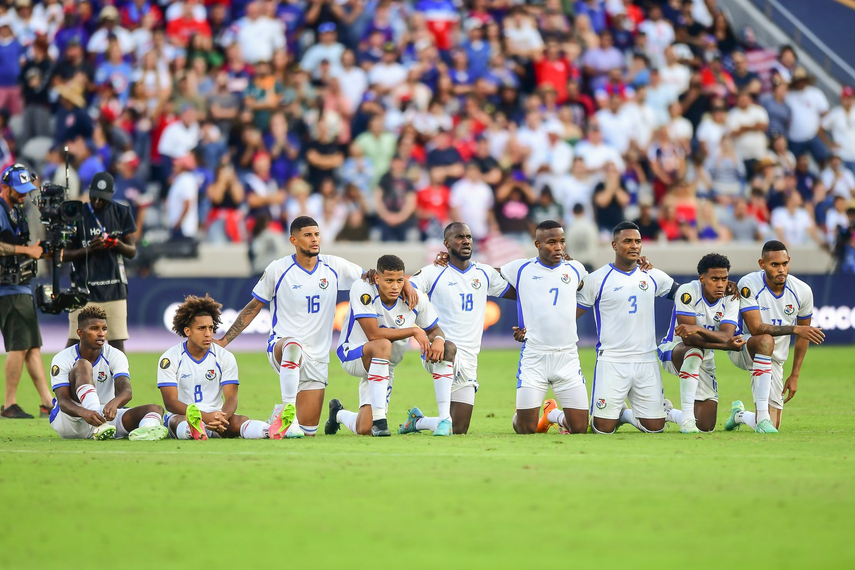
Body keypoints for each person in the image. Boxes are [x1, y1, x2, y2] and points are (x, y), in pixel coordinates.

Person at [214, 216, 416, 438]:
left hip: (317, 359)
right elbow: (253, 306)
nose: (314, 240)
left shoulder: (334, 265)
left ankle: (276, 419)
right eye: (308, 235)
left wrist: (404, 281)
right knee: (293, 345)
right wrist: (224, 341)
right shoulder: (278, 269)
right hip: (282, 347)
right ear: (294, 240)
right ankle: (288, 412)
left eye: (317, 234)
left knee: (307, 431)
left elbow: (373, 276)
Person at [400, 223, 515, 435]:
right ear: (446, 243)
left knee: (459, 429)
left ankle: (418, 422)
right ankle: (443, 418)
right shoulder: (434, 272)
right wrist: (407, 283)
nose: (466, 241)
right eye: (459, 237)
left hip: (469, 359)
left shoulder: (484, 273)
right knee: (449, 347)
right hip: (438, 350)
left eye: (469, 237)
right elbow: (407, 288)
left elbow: (517, 292)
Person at [326, 254, 455, 437]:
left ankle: (337, 414)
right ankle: (380, 422)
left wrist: (439, 341)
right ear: (377, 278)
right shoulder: (363, 288)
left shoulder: (414, 297)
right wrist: (414, 331)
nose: (395, 286)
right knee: (383, 344)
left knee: (364, 428)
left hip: (386, 366)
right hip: (354, 355)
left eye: (400, 280)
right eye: (389, 281)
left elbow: (434, 329)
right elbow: (373, 334)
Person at [578, 221, 676, 434]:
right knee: (602, 430)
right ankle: (617, 414)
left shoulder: (652, 275)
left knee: (655, 429)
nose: (634, 246)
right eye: (627, 241)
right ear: (614, 245)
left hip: (646, 359)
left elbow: (687, 296)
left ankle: (624, 413)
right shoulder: (597, 279)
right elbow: (571, 314)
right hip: (612, 360)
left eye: (638, 241)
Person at [500, 220, 589, 435]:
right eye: (551, 242)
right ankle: (523, 414)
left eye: (562, 242)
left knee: (579, 428)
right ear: (537, 244)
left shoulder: (576, 269)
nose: (558, 247)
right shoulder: (520, 268)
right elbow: (484, 276)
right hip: (535, 356)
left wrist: (567, 318)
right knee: (526, 429)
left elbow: (587, 295)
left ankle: (551, 414)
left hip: (567, 357)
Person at [725, 240, 825, 433]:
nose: (781, 269)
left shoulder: (802, 291)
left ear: (789, 261)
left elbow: (804, 336)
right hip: (744, 347)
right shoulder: (749, 283)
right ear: (762, 264)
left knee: (773, 425)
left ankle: (739, 415)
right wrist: (794, 329)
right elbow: (755, 328)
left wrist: (794, 375)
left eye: (784, 264)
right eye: (774, 265)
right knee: (765, 340)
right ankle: (761, 417)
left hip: (776, 359)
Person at [157, 295, 277, 440]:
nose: (208, 334)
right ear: (188, 331)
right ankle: (194, 430)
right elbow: (170, 403)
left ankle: (271, 430)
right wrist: (204, 417)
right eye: (201, 328)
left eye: (211, 328)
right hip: (183, 415)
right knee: (180, 422)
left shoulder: (225, 357)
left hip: (215, 416)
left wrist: (222, 417)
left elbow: (232, 398)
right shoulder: (170, 358)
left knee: (240, 420)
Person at [49, 306, 167, 440]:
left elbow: (126, 390)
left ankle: (145, 431)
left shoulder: (115, 355)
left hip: (105, 420)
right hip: (72, 420)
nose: (101, 334)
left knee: (155, 409)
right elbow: (63, 402)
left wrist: (114, 403)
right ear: (80, 333)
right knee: (83, 365)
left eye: (104, 329)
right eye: (94, 329)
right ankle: (100, 423)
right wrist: (86, 412)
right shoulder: (62, 358)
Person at [657, 254, 744, 433]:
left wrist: (698, 329)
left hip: (705, 356)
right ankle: (687, 421)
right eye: (714, 279)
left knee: (706, 426)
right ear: (702, 278)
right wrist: (724, 343)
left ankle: (670, 413)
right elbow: (688, 338)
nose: (721, 284)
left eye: (724, 279)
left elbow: (727, 335)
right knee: (694, 350)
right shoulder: (688, 292)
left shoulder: (731, 297)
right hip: (673, 351)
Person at [0, 164, 53, 419]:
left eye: (26, 190)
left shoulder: (17, 210)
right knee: (19, 346)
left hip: (20, 284)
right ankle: (9, 404)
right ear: (5, 187)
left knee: (32, 346)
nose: (23, 195)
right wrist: (27, 251)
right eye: (18, 190)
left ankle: (47, 402)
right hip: (6, 288)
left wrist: (38, 248)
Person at [63, 173, 136, 353]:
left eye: (102, 198)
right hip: (83, 289)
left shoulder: (121, 212)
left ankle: (120, 381)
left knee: (117, 344)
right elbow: (63, 254)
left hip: (114, 289)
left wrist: (115, 243)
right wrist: (89, 249)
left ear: (111, 194)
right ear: (89, 191)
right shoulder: (77, 214)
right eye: (94, 196)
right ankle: (63, 380)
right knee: (75, 343)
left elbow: (132, 251)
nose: (97, 201)